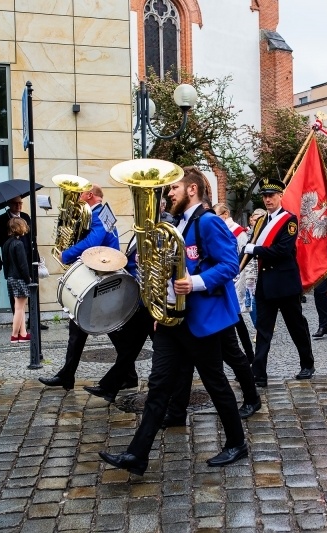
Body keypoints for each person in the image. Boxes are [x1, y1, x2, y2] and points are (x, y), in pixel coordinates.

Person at [99, 166, 247, 475]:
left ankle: (236, 443)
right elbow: (170, 270)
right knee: (158, 387)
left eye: (173, 188)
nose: (168, 193)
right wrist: (160, 307)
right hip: (172, 319)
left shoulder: (207, 223)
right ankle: (137, 455)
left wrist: (195, 282)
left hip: (200, 319)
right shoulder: (178, 224)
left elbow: (230, 264)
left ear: (191, 190)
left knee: (215, 383)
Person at [39, 184, 138, 391]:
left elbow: (94, 240)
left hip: (101, 276)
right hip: (96, 275)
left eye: (80, 193)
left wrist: (66, 254)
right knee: (79, 328)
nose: (77, 196)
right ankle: (67, 375)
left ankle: (128, 375)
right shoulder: (101, 213)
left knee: (111, 329)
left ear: (90, 195)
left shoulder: (99, 213)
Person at [243, 178, 315, 387]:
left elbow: (282, 251)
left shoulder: (289, 221)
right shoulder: (261, 222)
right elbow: (253, 245)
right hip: (265, 284)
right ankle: (259, 374)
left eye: (271, 196)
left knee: (296, 327)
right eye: (264, 196)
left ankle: (307, 363)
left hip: (285, 283)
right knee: (263, 330)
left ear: (280, 196)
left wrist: (255, 250)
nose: (267, 200)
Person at [82, 245, 148, 403]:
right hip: (136, 299)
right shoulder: (137, 233)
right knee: (129, 348)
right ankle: (115, 386)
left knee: (130, 349)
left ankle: (109, 386)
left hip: (146, 301)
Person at [0, 196, 48, 330]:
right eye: (15, 203)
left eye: (20, 203)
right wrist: (13, 233)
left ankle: (34, 320)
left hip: (29, 258)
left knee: (33, 289)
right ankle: (18, 324)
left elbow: (32, 238)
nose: (19, 206)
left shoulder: (25, 216)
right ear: (9, 204)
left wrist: (38, 257)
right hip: (14, 260)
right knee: (17, 294)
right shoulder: (1, 220)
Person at [213, 202, 254, 361]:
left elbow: (244, 254)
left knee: (237, 318)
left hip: (236, 277)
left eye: (217, 216)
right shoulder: (220, 229)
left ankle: (248, 355)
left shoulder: (238, 231)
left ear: (225, 214)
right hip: (225, 279)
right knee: (234, 319)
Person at [2, 217, 31, 343]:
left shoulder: (6, 243)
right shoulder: (19, 244)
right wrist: (28, 278)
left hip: (10, 277)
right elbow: (23, 265)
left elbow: (5, 263)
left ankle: (23, 333)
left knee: (20, 307)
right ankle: (14, 335)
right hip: (19, 278)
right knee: (19, 308)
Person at [243, 209, 267, 327]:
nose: (256, 222)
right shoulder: (246, 235)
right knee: (251, 304)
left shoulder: (267, 234)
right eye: (254, 219)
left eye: (259, 219)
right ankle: (258, 327)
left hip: (264, 273)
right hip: (250, 274)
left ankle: (265, 325)